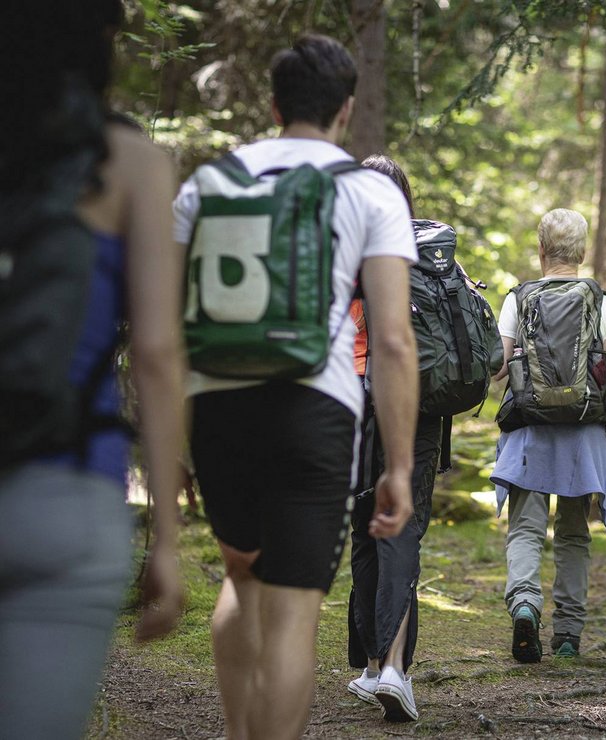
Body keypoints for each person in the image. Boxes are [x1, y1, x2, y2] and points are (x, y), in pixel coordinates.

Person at [172, 36, 419, 740]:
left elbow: (170, 327)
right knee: (291, 614)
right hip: (319, 410)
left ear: (274, 105)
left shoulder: (209, 184)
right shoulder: (369, 191)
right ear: (346, 111)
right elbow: (395, 342)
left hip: (218, 403)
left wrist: (172, 443)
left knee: (240, 578)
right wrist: (397, 467)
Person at [0, 2, 186, 738]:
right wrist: (166, 540)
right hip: (68, 491)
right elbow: (158, 355)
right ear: (101, 41)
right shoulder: (130, 161)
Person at [490, 208, 606, 662]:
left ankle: (524, 603)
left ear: (541, 251)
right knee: (574, 535)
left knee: (525, 530)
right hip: (583, 434)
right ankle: (569, 636)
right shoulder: (602, 302)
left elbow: (499, 368)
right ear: (580, 252)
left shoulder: (518, 299)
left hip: (530, 433)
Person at [345, 155, 442, 722]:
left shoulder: (345, 248)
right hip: (415, 405)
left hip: (352, 400)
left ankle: (376, 664)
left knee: (365, 529)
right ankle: (389, 668)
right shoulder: (427, 252)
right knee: (399, 529)